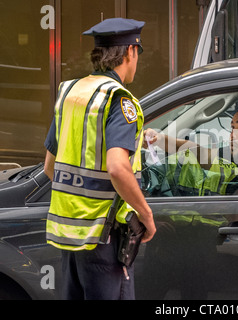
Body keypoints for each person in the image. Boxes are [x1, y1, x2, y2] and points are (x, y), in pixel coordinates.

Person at [43, 18, 156, 300]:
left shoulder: (70, 92)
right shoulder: (120, 100)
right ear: (130, 51)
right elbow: (118, 168)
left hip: (69, 237)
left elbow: (50, 167)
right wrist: (146, 214)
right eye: (137, 54)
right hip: (103, 237)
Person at [144, 106, 238, 196]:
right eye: (232, 128)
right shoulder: (230, 155)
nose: (233, 135)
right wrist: (158, 139)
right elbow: (196, 151)